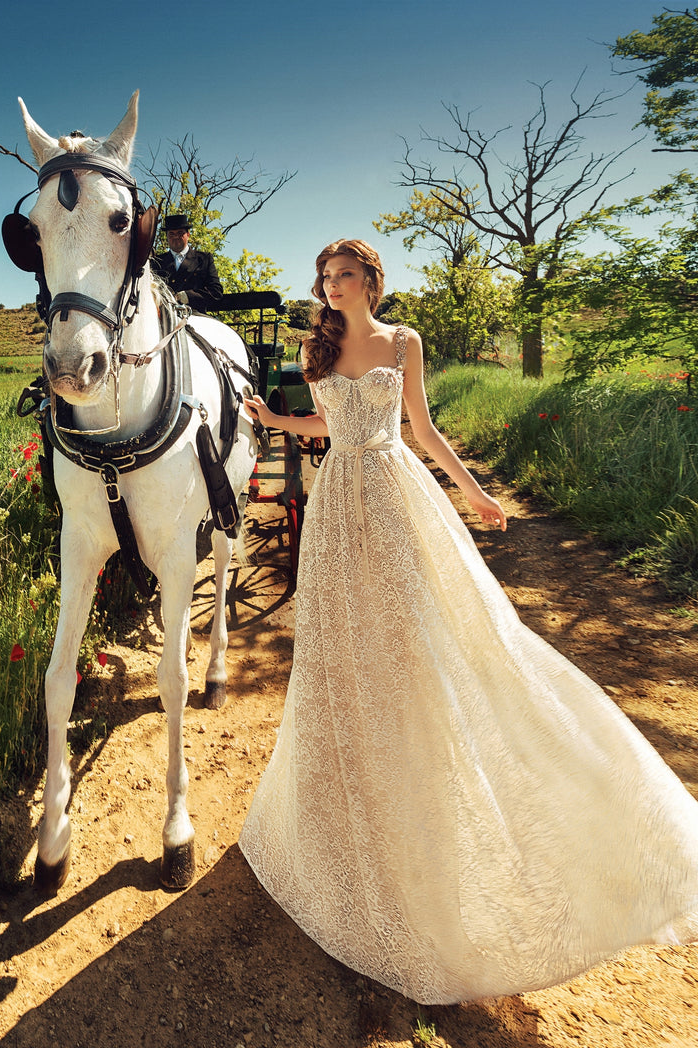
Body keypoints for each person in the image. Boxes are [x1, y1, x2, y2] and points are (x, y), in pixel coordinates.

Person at [238, 238, 698, 1006]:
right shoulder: (318, 347)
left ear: (371, 282)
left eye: (346, 274)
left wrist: (475, 491)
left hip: (393, 498)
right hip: (336, 512)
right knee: (341, 653)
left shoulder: (403, 342)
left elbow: (421, 430)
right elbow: (329, 428)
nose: (334, 285)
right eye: (326, 276)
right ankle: (341, 811)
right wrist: (276, 421)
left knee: (424, 645)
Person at [150, 213, 223, 312]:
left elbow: (216, 291)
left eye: (180, 233)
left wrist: (188, 296)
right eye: (171, 233)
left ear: (188, 235)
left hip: (195, 315)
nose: (176, 237)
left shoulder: (204, 259)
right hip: (164, 317)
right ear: (166, 236)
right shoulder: (156, 261)